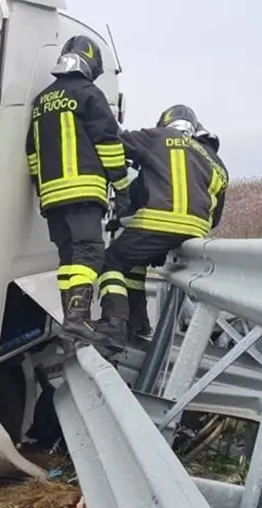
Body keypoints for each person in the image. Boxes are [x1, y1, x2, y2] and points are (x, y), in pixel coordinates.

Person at [94, 104, 228, 350]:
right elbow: (216, 215)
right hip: (195, 232)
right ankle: (138, 323)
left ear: (165, 122)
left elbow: (115, 142)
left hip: (157, 223)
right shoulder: (214, 160)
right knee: (134, 263)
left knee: (110, 263)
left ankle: (113, 326)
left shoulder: (157, 137)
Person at [25, 34, 131, 344]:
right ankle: (77, 319)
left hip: (52, 197)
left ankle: (70, 319)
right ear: (90, 63)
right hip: (83, 191)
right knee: (90, 253)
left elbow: (32, 153)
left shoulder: (41, 101)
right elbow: (109, 144)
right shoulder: (89, 94)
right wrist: (122, 189)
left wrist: (42, 191)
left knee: (68, 258)